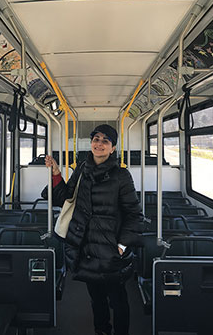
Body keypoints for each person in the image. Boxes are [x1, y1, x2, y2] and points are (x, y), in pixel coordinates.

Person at [43, 124, 143, 335]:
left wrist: (122, 245)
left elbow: (134, 214)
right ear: (91, 143)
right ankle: (102, 331)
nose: (99, 144)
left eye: (105, 141)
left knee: (118, 300)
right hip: (86, 246)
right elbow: (66, 198)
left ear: (113, 148)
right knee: (97, 298)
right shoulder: (81, 169)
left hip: (111, 250)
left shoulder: (121, 176)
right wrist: (56, 174)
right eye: (96, 139)